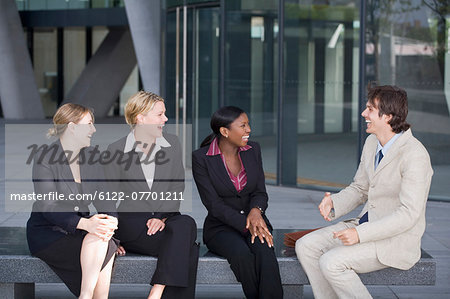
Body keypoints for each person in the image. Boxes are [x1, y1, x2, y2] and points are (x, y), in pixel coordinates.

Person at [295, 85, 433, 299]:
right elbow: (360, 188)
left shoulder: (415, 156)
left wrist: (360, 234)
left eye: (370, 109)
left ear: (387, 116)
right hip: (365, 225)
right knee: (306, 246)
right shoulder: (372, 142)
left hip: (395, 241)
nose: (363, 114)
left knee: (331, 262)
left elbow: (409, 214)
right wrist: (335, 203)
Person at [104, 91, 199, 299]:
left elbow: (177, 188)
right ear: (140, 118)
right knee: (187, 246)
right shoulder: (116, 150)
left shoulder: (172, 144)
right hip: (134, 224)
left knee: (186, 224)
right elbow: (107, 197)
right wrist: (112, 238)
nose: (165, 119)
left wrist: (161, 216)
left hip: (166, 218)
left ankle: (157, 290)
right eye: (160, 114)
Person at [26, 103, 119, 299]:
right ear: (72, 127)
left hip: (80, 230)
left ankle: (85, 296)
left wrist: (111, 222)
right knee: (106, 245)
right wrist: (86, 223)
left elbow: (105, 197)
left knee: (103, 237)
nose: (93, 129)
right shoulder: (45, 156)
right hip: (49, 232)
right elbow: (48, 206)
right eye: (89, 124)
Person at [192, 106, 283, 299]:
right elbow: (213, 205)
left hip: (256, 222)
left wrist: (256, 211)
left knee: (265, 254)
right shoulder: (201, 158)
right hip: (220, 228)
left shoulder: (253, 150)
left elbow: (260, 191)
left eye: (248, 124)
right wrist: (247, 224)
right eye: (243, 125)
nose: (249, 129)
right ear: (225, 131)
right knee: (242, 255)